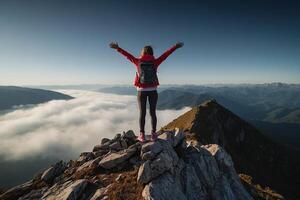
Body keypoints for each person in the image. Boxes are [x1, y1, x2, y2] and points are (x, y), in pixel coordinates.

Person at [109, 42, 184, 142]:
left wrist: (118, 48)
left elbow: (127, 55)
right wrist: (175, 47)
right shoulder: (155, 62)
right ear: (152, 53)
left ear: (143, 52)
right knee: (153, 113)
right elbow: (166, 54)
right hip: (153, 90)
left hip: (141, 91)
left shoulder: (138, 61)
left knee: (142, 113)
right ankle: (153, 134)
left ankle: (142, 135)